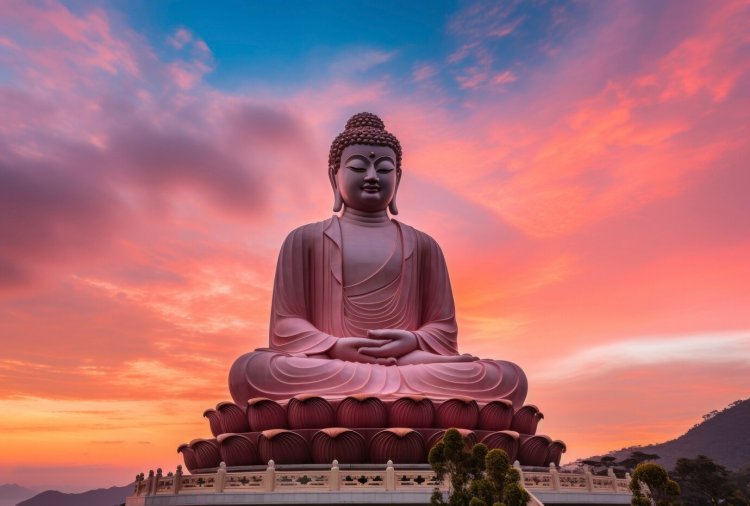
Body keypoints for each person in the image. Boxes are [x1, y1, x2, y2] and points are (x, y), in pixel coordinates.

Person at [228, 113, 527, 405]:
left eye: (384, 169)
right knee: (252, 371)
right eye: (358, 167)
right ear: (334, 176)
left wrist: (413, 341)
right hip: (333, 365)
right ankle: (411, 407)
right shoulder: (304, 239)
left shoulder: (424, 245)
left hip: (411, 364)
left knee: (506, 377)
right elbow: (286, 325)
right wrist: (334, 346)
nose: (372, 177)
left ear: (399, 177)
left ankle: (371, 405)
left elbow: (442, 327)